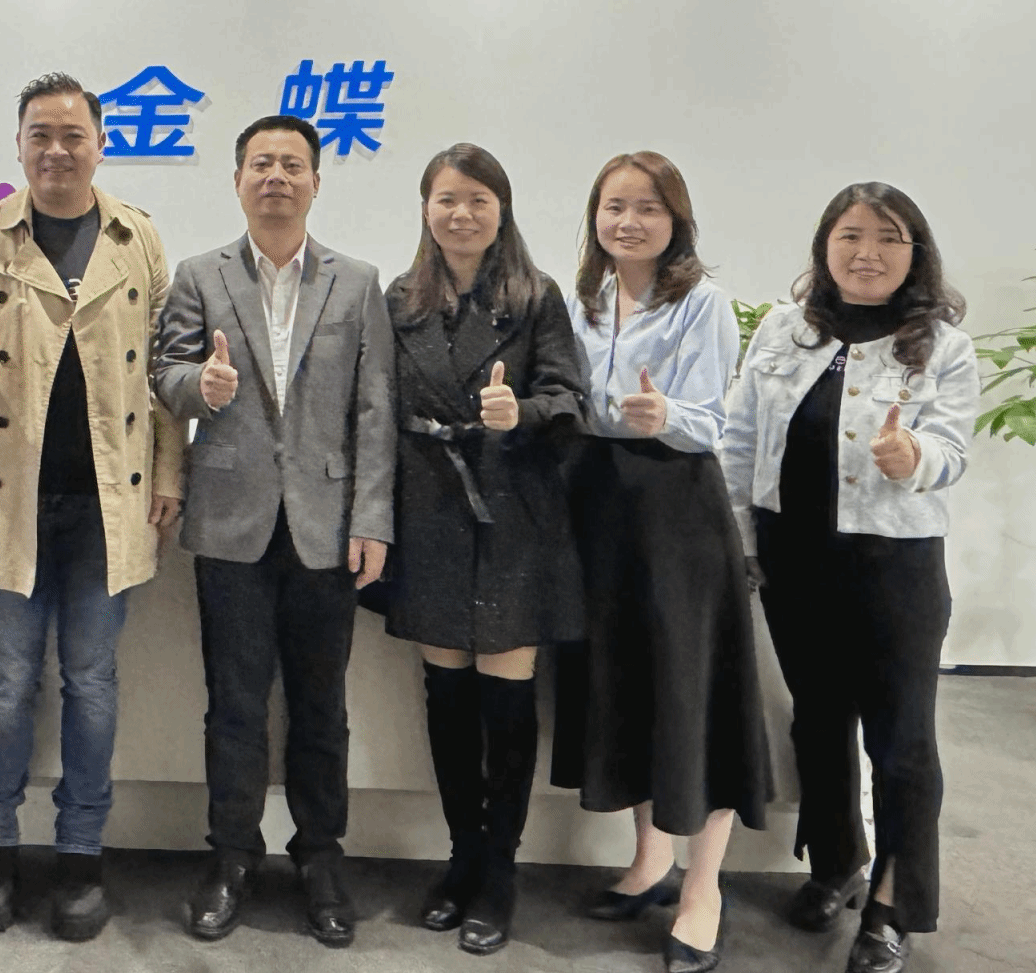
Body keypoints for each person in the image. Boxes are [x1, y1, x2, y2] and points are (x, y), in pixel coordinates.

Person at [0, 72, 184, 942]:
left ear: (100, 144)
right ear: (20, 145)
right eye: (41, 135)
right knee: (6, 682)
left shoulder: (136, 236)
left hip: (109, 503)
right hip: (12, 502)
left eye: (74, 135)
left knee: (92, 682)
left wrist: (171, 475)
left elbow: (164, 373)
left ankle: (80, 853)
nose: (58, 150)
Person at [150, 115, 395, 947]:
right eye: (262, 163)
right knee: (235, 706)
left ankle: (320, 858)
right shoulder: (200, 275)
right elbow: (166, 373)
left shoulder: (357, 282)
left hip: (327, 527)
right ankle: (231, 856)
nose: (277, 177)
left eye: (293, 164)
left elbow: (375, 411)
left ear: (316, 182)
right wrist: (201, 387)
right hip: (231, 525)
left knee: (322, 708)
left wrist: (372, 518)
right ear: (238, 180)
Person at [721, 184, 977, 973]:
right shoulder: (784, 330)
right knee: (819, 722)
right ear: (825, 247)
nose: (868, 253)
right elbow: (738, 440)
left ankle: (895, 906)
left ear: (914, 252)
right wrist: (740, 541)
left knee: (902, 742)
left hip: (893, 567)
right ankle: (837, 865)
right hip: (794, 561)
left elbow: (953, 450)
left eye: (888, 238)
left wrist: (913, 456)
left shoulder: (943, 346)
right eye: (851, 235)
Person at [551, 152, 772, 973]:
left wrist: (664, 412)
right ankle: (649, 862)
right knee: (627, 686)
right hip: (599, 507)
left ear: (676, 220)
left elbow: (713, 421)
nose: (628, 222)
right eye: (614, 206)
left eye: (648, 207)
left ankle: (703, 890)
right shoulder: (582, 298)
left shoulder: (701, 301)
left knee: (692, 692)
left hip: (677, 509)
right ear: (595, 216)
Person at [385, 142, 588, 956]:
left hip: (515, 519)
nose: (461, 214)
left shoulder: (536, 298)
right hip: (430, 513)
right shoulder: (400, 300)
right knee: (446, 699)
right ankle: (461, 856)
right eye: (446, 199)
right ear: (425, 209)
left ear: (501, 210)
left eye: (477, 199)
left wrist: (521, 414)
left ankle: (500, 871)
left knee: (506, 705)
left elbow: (570, 399)